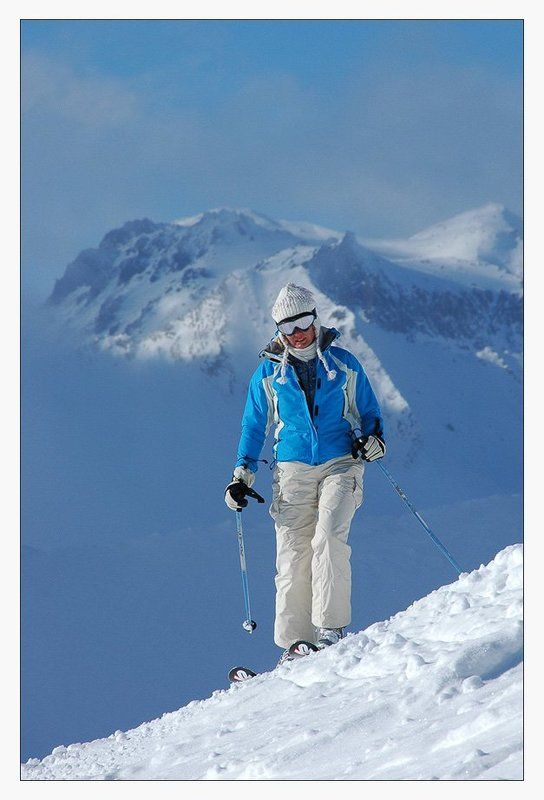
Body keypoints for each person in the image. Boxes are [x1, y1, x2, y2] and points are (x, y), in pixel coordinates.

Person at [224, 283, 385, 664]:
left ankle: (329, 629)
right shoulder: (267, 373)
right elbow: (253, 425)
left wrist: (375, 439)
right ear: (279, 329)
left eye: (304, 322)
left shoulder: (345, 364)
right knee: (293, 554)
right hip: (291, 470)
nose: (298, 332)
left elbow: (370, 412)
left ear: (316, 320)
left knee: (328, 537)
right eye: (288, 326)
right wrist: (242, 474)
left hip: (340, 463)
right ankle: (295, 645)